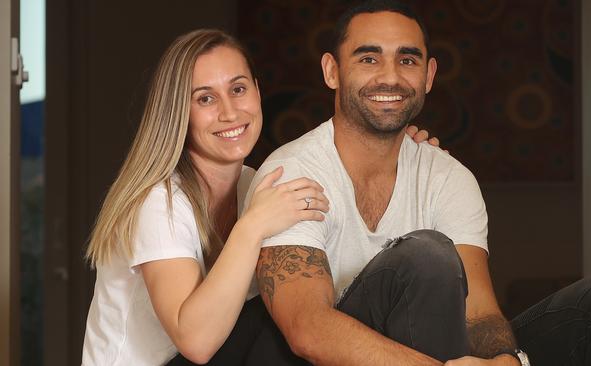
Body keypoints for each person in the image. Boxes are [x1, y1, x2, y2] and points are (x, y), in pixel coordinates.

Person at [247, 1, 591, 366]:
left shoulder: (448, 176)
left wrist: (504, 361)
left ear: (429, 75)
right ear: (332, 71)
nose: (390, 77)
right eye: (368, 58)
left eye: (408, 61)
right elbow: (307, 329)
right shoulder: (291, 172)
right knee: (426, 255)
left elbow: (477, 310)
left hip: (447, 352)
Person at [81, 28, 437, 366]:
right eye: (205, 98)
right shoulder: (160, 201)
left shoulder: (258, 183)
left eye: (238, 90)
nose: (230, 112)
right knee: (285, 322)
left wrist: (393, 157)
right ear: (178, 112)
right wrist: (251, 227)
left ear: (256, 90)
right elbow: (196, 343)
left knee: (302, 304)